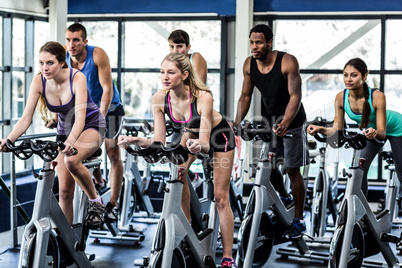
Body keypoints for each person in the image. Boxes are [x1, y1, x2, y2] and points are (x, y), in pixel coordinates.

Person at [118, 52, 237, 267]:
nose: (164, 77)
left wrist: (197, 146)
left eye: (170, 72)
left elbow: (205, 143)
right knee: (178, 172)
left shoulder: (203, 97)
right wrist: (136, 140)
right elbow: (160, 143)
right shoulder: (159, 98)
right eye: (162, 72)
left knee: (220, 197)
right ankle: (188, 232)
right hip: (192, 132)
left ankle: (228, 257)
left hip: (218, 136)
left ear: (184, 75)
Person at [0, 41, 106, 229]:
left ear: (62, 62)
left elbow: (80, 118)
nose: (44, 68)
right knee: (64, 191)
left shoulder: (77, 77)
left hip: (92, 126)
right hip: (65, 131)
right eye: (41, 63)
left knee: (71, 161)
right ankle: (68, 243)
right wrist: (9, 140)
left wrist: (71, 143)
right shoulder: (38, 81)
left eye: (50, 63)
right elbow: (26, 118)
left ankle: (96, 202)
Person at [233, 24, 309, 240]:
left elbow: (295, 95)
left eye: (258, 42)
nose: (254, 47)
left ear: (269, 42)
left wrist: (286, 121)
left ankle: (298, 220)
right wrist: (237, 122)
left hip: (293, 121)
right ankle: (285, 198)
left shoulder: (287, 61)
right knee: (268, 165)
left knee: (293, 170)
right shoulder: (249, 65)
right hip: (271, 123)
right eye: (251, 42)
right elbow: (245, 96)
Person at [307, 58, 402, 195]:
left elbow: (382, 132)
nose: (348, 79)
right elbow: (336, 130)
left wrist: (374, 132)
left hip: (397, 128)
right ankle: (359, 211)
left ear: (364, 76)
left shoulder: (377, 96)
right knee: (359, 169)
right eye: (345, 75)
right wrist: (320, 129)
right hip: (371, 131)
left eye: (354, 75)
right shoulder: (341, 97)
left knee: (401, 173)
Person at [65, 23, 125, 222]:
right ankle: (99, 181)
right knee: (84, 147)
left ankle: (113, 205)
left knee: (112, 153)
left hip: (111, 108)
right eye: (68, 40)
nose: (71, 45)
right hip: (85, 110)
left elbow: (107, 89)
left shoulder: (97, 54)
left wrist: (98, 118)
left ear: (85, 42)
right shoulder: (64, 59)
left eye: (76, 40)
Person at [168, 29, 208, 189]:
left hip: (197, 115)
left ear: (188, 47)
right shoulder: (170, 64)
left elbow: (197, 88)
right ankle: (193, 179)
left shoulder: (195, 58)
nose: (175, 51)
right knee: (173, 157)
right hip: (180, 116)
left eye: (179, 46)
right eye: (171, 47)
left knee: (183, 158)